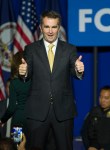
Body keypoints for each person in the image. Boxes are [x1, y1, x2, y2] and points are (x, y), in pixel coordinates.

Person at [19, 10, 84, 150]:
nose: (50, 31)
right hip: (37, 112)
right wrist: (23, 73)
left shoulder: (69, 49)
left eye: (54, 27)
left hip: (63, 111)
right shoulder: (30, 49)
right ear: (41, 27)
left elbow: (75, 71)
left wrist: (79, 69)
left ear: (58, 28)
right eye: (47, 27)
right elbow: (27, 74)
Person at [81, 85, 110, 150]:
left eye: (106, 98)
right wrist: (89, 146)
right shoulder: (94, 111)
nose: (102, 100)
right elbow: (84, 131)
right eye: (100, 97)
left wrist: (106, 148)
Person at [0, 52, 31, 132]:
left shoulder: (14, 83)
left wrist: (3, 120)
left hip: (18, 121)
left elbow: (11, 108)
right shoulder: (35, 83)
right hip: (34, 123)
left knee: (17, 143)